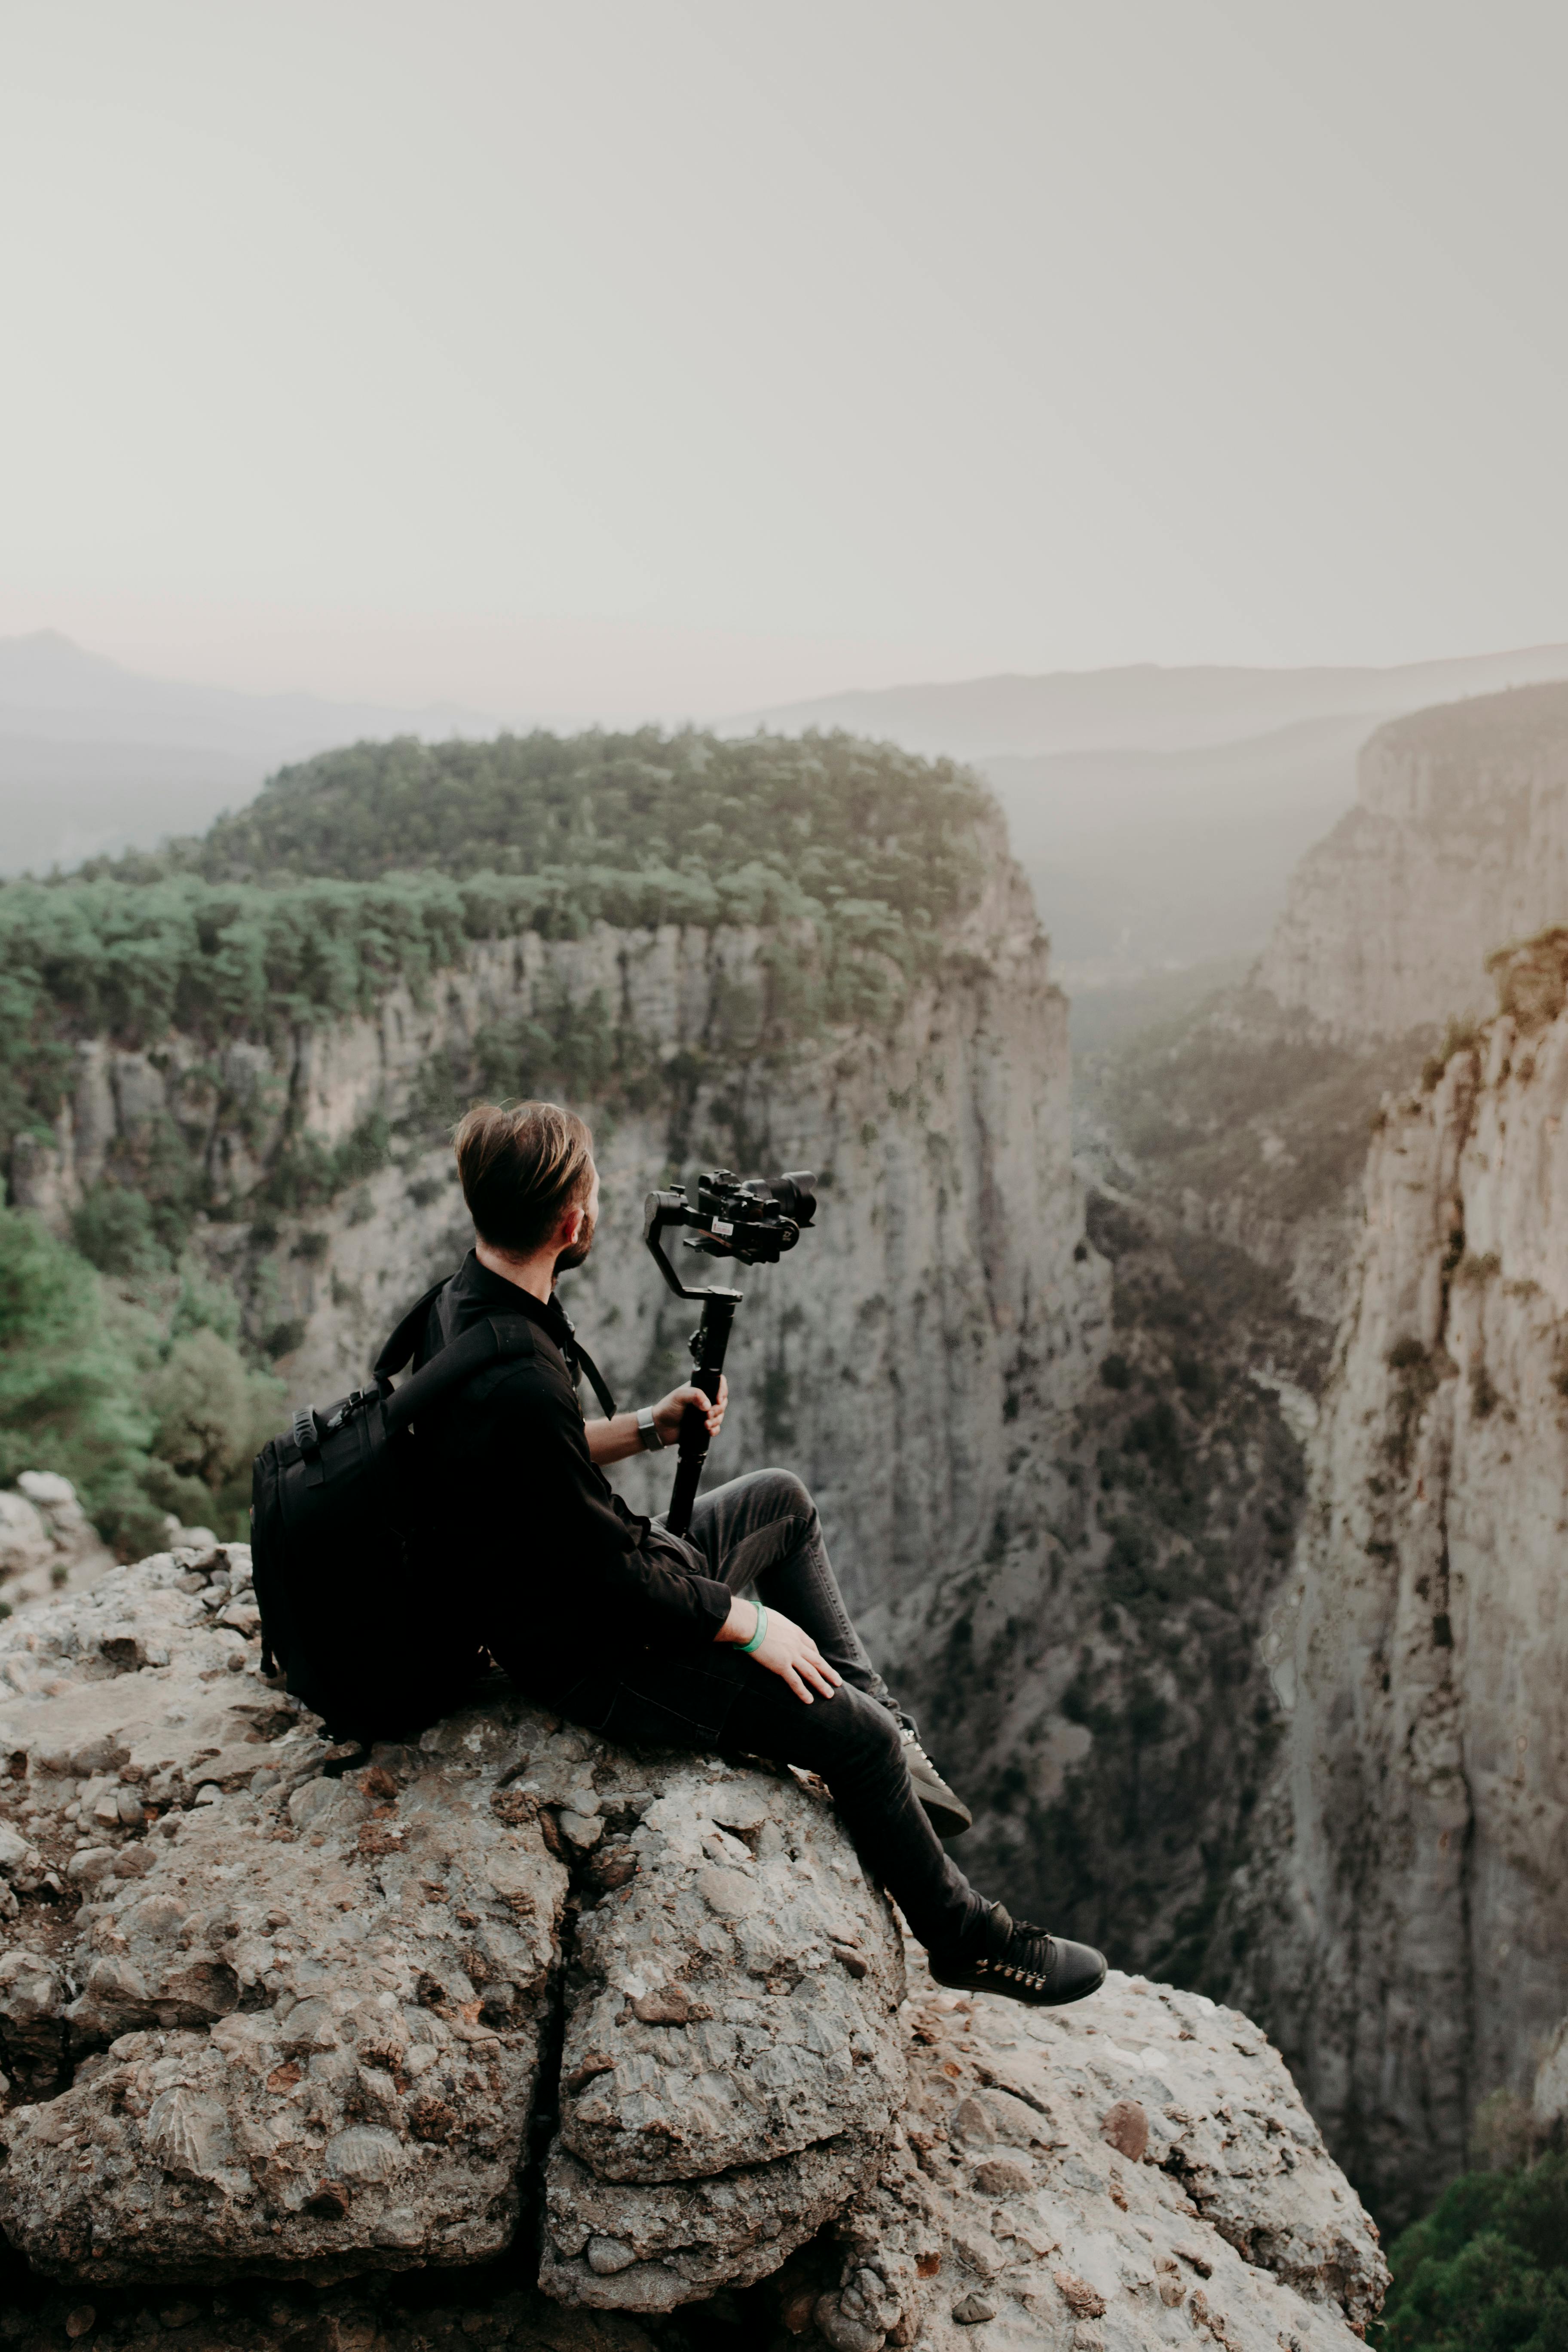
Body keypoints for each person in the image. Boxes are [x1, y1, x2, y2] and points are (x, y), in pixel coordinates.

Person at [411, 1098, 1106, 2009]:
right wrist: (747, 1625)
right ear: (572, 1222)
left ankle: (896, 1739)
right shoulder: (518, 1374)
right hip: (589, 1648)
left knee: (780, 1500)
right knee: (846, 1738)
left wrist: (646, 1430)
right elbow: (607, 1577)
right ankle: (967, 1937)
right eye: (593, 1194)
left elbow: (534, 1464)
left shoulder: (466, 1306)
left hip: (583, 1577)